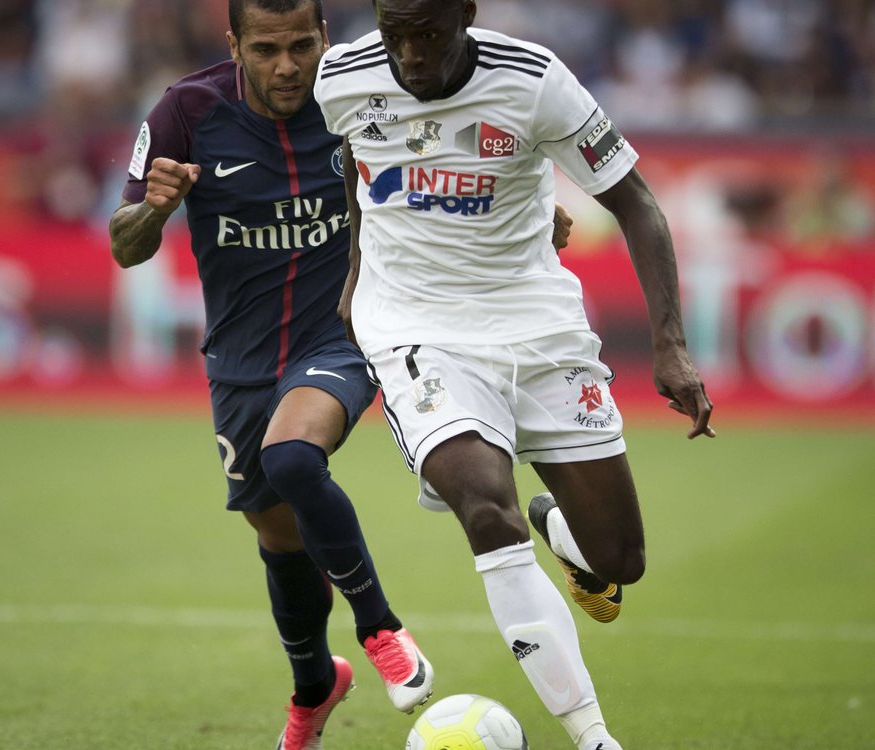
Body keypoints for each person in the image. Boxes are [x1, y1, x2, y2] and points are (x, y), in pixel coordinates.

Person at [315, 2, 714, 748]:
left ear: (465, 13)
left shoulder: (535, 81)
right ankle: (596, 739)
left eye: (428, 33)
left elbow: (637, 203)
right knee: (486, 509)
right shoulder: (341, 75)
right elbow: (351, 160)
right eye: (395, 33)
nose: (410, 54)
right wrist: (355, 267)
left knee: (620, 558)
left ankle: (567, 538)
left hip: (537, 325)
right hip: (415, 326)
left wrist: (671, 346)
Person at [107, 2, 443, 747]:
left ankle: (381, 630)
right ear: (234, 46)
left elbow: (442, 162)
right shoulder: (184, 112)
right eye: (266, 49)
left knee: (292, 455)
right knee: (279, 535)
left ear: (325, 39)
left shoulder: (358, 95)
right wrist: (155, 210)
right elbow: (124, 246)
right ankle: (313, 689)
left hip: (343, 331)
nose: (288, 66)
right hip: (240, 357)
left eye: (301, 46)